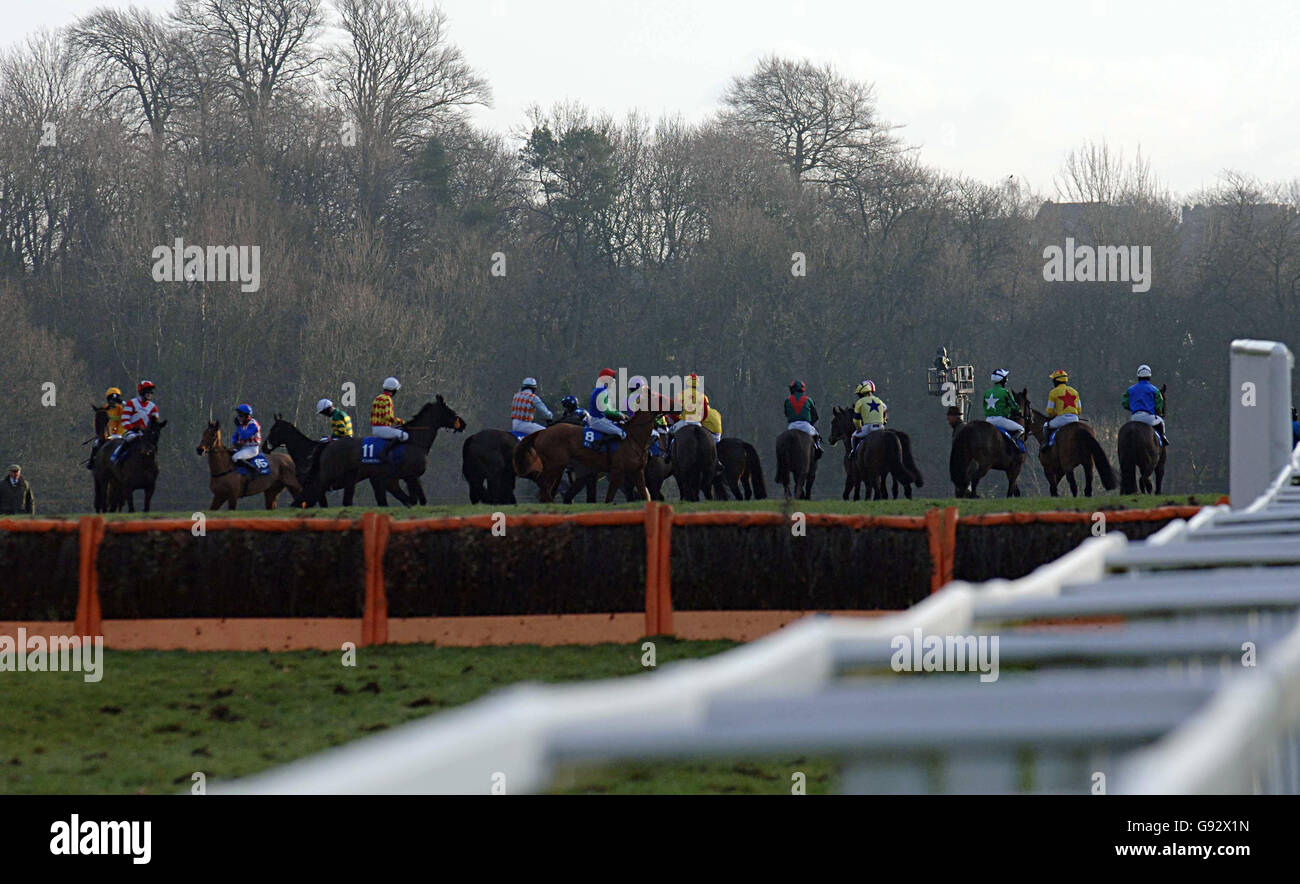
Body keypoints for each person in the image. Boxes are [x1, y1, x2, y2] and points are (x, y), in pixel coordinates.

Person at [114, 380, 160, 462]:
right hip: (131, 432)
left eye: (151, 392)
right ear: (142, 392)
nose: (150, 393)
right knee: (130, 439)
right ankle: (116, 457)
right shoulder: (131, 403)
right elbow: (125, 419)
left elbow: (155, 424)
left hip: (146, 434)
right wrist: (132, 428)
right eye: (147, 391)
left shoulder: (153, 407)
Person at [1122, 365, 1168, 445]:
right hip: (1149, 418)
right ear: (1149, 376)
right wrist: (1157, 410)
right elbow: (1159, 404)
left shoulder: (1130, 390)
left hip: (1135, 418)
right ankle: (1163, 439)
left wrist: (1133, 407)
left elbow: (1125, 403)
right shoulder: (1154, 390)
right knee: (1161, 421)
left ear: (1138, 376)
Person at [981, 369, 1025, 450]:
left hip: (988, 421)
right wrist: (1018, 411)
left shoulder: (987, 392)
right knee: (1021, 429)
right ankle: (1013, 442)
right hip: (1000, 420)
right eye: (1005, 378)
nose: (1006, 380)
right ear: (1001, 380)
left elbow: (984, 407)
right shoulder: (1005, 392)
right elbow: (1014, 406)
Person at [1042, 369, 1082, 451]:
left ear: (1056, 381)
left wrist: (1055, 414)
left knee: (1046, 425)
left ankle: (1046, 444)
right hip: (1075, 419)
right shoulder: (1075, 392)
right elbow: (1079, 410)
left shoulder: (1053, 392)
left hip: (1061, 419)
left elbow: (1049, 411)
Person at [87, 387, 125, 469]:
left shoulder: (121, 410)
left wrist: (117, 433)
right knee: (96, 444)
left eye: (115, 399)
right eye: (111, 399)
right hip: (105, 434)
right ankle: (92, 461)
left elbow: (122, 423)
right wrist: (101, 433)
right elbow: (97, 423)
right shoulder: (103, 409)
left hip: (118, 434)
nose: (113, 402)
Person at [784, 380, 823, 458]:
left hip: (792, 426)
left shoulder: (787, 400)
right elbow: (815, 416)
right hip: (806, 426)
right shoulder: (808, 400)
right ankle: (817, 447)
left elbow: (787, 414)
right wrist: (811, 423)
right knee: (816, 435)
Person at [586, 368, 627, 440]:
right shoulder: (602, 391)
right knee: (622, 433)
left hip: (598, 419)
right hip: (597, 420)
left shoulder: (601, 389)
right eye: (612, 379)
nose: (613, 381)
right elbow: (606, 411)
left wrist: (620, 413)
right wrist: (619, 415)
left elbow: (609, 408)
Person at [850, 380, 888, 452]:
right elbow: (885, 416)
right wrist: (882, 422)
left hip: (868, 428)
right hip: (880, 428)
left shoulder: (860, 402)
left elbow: (856, 420)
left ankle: (854, 453)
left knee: (853, 437)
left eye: (859, 394)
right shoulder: (879, 401)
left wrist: (859, 428)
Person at [370, 377, 408, 442]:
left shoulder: (378, 397)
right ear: (394, 390)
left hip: (375, 428)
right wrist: (402, 422)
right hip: (383, 429)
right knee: (405, 435)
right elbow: (388, 417)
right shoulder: (387, 399)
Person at [230, 404, 262, 471]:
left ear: (247, 416)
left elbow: (245, 435)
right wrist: (235, 442)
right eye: (238, 415)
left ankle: (254, 471)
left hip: (252, 449)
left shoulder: (253, 424)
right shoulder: (242, 425)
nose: (239, 417)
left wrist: (239, 426)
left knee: (236, 457)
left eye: (241, 415)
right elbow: (234, 437)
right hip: (242, 448)